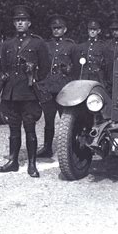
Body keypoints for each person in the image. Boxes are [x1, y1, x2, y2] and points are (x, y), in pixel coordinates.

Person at [0, 5, 50, 177]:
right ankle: (13, 161)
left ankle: (32, 164)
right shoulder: (7, 44)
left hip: (28, 93)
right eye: (17, 20)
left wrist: (34, 77)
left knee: (30, 129)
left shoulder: (38, 43)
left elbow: (45, 67)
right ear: (14, 23)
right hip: (11, 93)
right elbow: (3, 67)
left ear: (29, 23)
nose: (20, 23)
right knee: (13, 129)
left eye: (23, 20)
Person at [37, 14, 75, 158]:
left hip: (63, 88)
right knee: (48, 120)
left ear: (65, 30)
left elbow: (76, 67)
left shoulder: (71, 46)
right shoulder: (46, 45)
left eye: (59, 28)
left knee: (66, 120)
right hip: (48, 86)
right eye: (54, 28)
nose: (56, 31)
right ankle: (47, 148)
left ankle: (70, 148)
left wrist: (70, 70)